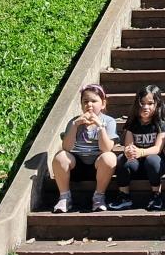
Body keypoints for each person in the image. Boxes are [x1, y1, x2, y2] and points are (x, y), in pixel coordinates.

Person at [51, 83, 118, 214]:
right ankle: (65, 197)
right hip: (77, 165)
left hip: (98, 167)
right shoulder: (74, 121)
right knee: (60, 156)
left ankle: (99, 197)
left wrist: (100, 127)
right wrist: (75, 125)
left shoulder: (108, 121)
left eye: (94, 101)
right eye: (85, 101)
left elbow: (106, 149)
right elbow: (66, 147)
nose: (89, 105)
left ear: (103, 104)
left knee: (110, 158)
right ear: (81, 105)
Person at [110, 84, 165, 211]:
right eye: (142, 103)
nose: (145, 107)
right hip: (136, 165)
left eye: (150, 103)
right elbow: (129, 145)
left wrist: (141, 151)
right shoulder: (133, 124)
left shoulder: (161, 125)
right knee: (122, 158)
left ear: (157, 104)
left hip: (155, 167)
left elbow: (157, 148)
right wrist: (128, 151)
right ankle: (124, 196)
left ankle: (156, 196)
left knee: (152, 159)